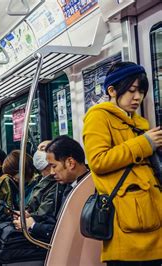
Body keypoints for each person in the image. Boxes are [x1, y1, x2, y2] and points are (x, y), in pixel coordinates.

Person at [82, 62, 162, 264]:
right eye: (132, 90)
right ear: (112, 90)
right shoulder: (99, 117)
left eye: (141, 91)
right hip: (126, 219)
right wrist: (144, 144)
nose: (138, 97)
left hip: (152, 215)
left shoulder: (140, 123)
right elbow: (98, 161)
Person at [13, 136, 89, 242]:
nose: (52, 173)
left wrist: (34, 226)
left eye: (54, 166)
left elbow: (68, 232)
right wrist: (32, 218)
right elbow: (54, 218)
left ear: (70, 163)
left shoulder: (88, 190)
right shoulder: (65, 186)